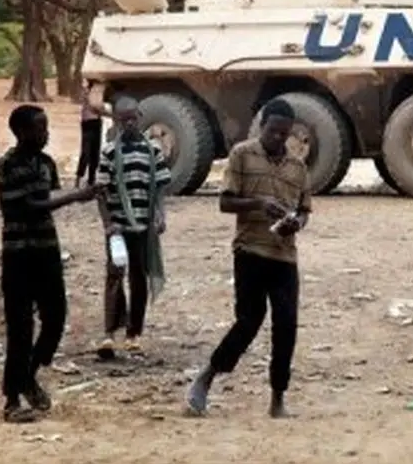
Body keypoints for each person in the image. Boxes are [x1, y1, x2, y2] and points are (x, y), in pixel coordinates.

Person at [186, 99, 311, 419]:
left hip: (284, 255)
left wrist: (296, 223)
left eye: (284, 133)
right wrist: (258, 203)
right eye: (273, 131)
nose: (278, 138)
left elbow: (304, 210)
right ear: (261, 126)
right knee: (249, 321)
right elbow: (225, 203)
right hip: (250, 250)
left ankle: (277, 398)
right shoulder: (242, 154)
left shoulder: (298, 167)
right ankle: (207, 376)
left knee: (286, 325)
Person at [0, 105, 105, 424]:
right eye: (40, 128)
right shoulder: (7, 165)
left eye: (46, 127)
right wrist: (76, 197)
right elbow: (29, 207)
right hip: (18, 254)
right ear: (21, 131)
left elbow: (44, 203)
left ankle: (28, 376)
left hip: (46, 251)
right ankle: (12, 398)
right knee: (20, 328)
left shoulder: (45, 164)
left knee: (55, 319)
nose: (46, 134)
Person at [94, 94, 172, 359]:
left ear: (139, 117)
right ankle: (110, 332)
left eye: (132, 119)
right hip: (118, 227)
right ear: (116, 121)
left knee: (139, 278)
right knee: (115, 275)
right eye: (123, 120)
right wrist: (108, 224)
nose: (129, 124)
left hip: (143, 225)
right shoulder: (109, 152)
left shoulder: (153, 150)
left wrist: (160, 214)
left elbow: (159, 187)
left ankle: (133, 333)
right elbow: (101, 192)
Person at [75, 82, 106, 188]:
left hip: (94, 121)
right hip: (89, 122)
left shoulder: (95, 91)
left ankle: (90, 179)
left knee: (94, 152)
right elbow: (96, 108)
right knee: (87, 151)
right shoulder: (89, 92)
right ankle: (80, 179)